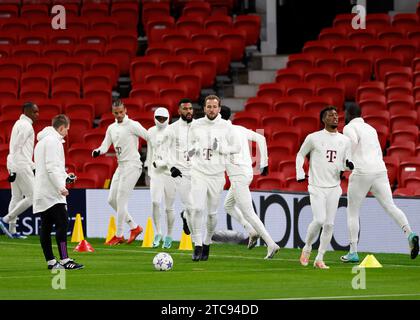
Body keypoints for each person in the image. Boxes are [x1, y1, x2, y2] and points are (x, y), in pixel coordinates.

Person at [340, 103, 419, 263]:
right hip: (380, 171)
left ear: (348, 114)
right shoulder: (371, 129)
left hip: (361, 172)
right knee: (391, 206)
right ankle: (409, 233)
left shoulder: (349, 128)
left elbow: (352, 142)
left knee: (353, 212)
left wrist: (346, 163)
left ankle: (353, 251)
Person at [220, 106, 280, 259]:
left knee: (249, 213)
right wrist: (264, 163)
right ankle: (251, 231)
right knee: (228, 205)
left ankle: (271, 244)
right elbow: (261, 138)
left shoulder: (222, 133)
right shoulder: (239, 128)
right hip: (246, 173)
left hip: (239, 175)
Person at [296, 106, 352, 269]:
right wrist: (300, 171)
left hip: (334, 186)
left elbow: (346, 164)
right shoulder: (313, 138)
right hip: (316, 185)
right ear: (323, 119)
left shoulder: (345, 140)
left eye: (336, 115)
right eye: (330, 115)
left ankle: (320, 258)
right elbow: (300, 154)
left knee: (329, 224)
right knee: (319, 219)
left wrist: (349, 166)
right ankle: (307, 248)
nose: (335, 117)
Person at [187, 95, 240, 261]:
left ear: (219, 108)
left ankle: (207, 241)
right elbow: (188, 147)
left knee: (211, 214)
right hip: (199, 172)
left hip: (217, 174)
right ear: (204, 108)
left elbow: (236, 147)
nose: (211, 109)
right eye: (208, 106)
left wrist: (222, 148)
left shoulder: (226, 126)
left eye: (214, 106)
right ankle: (197, 244)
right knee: (196, 208)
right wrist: (192, 150)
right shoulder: (195, 125)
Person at [92, 99, 147, 245]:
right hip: (121, 166)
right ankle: (134, 227)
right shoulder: (111, 128)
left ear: (125, 110)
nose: (119, 115)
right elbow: (105, 146)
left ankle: (119, 235)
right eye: (116, 113)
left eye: (121, 112)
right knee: (111, 200)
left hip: (133, 165)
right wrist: (98, 151)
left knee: (122, 200)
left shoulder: (133, 125)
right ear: (112, 113)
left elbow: (148, 137)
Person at [33, 114, 83, 270]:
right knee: (62, 223)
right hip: (52, 193)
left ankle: (51, 261)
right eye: (67, 129)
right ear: (61, 128)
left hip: (42, 190)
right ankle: (65, 259)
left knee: (46, 227)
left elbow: (51, 168)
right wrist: (61, 187)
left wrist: (66, 178)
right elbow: (51, 168)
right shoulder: (54, 142)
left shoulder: (41, 143)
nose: (67, 132)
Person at [0, 102, 39, 239]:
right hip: (20, 164)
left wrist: (12, 167)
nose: (37, 115)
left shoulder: (18, 123)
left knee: (16, 197)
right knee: (32, 197)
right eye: (35, 112)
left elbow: (16, 149)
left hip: (15, 163)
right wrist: (15, 168)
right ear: (27, 112)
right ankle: (5, 220)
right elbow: (17, 147)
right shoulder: (26, 126)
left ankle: (12, 230)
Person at [160, 99, 195, 238]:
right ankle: (196, 244)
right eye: (185, 109)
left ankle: (185, 215)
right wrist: (171, 167)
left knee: (197, 207)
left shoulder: (199, 126)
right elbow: (163, 150)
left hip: (197, 171)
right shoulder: (172, 129)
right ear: (179, 111)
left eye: (190, 108)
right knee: (191, 206)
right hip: (180, 172)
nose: (188, 111)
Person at [145, 107, 176, 249]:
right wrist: (149, 168)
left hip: (169, 172)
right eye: (159, 118)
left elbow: (175, 155)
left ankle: (169, 235)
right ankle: (158, 233)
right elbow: (150, 151)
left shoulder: (173, 131)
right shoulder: (150, 132)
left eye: (164, 118)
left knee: (169, 207)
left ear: (168, 118)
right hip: (156, 172)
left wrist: (164, 163)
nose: (161, 121)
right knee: (155, 203)